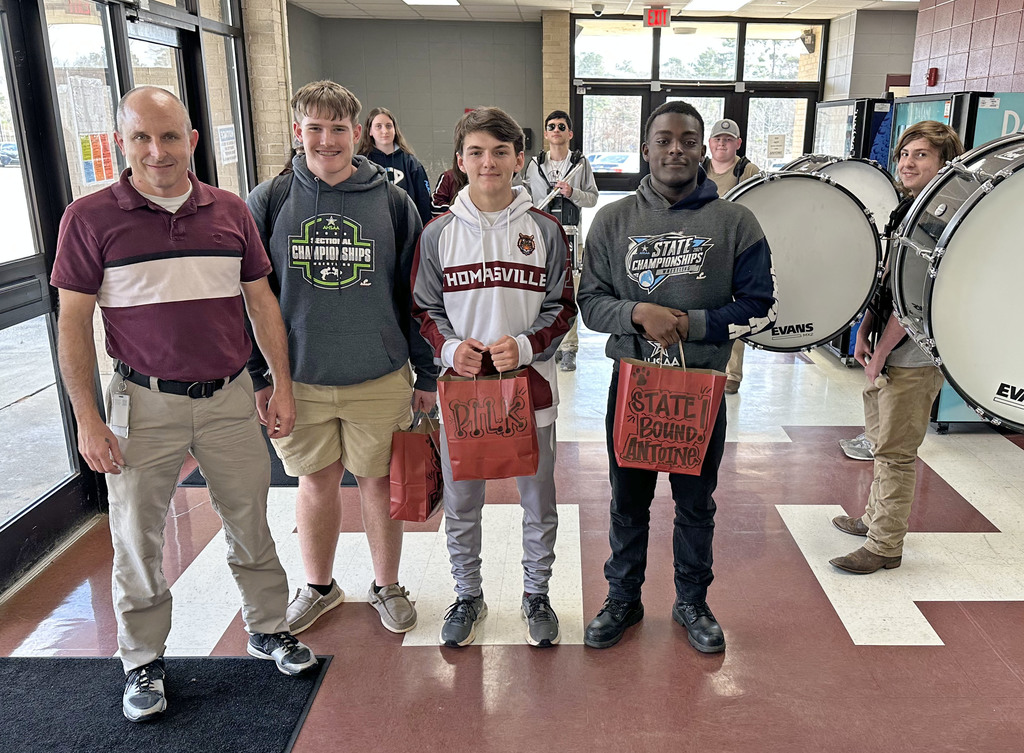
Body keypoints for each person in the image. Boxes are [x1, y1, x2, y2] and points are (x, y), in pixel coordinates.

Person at [51, 86, 316, 723]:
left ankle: (268, 629)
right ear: (122, 143)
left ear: (192, 141)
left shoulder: (228, 211)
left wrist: (279, 383)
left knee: (251, 520)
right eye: (141, 137)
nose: (156, 150)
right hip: (144, 403)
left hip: (228, 398)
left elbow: (260, 302)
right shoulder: (89, 219)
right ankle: (142, 661)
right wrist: (88, 418)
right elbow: (72, 325)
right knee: (137, 539)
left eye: (170, 136)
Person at [578, 101, 776, 653]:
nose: (676, 150)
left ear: (703, 149)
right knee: (627, 501)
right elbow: (590, 304)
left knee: (696, 504)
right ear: (646, 148)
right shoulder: (613, 221)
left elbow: (762, 307)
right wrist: (638, 314)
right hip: (635, 389)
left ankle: (692, 600)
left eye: (688, 140)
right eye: (664, 139)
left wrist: (694, 324)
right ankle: (623, 597)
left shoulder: (736, 222)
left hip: (701, 393)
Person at [246, 81, 437, 636]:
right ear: (298, 132)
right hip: (298, 377)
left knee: (379, 483)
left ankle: (386, 584)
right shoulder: (271, 200)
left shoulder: (393, 202)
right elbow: (251, 297)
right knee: (315, 482)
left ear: (357, 133)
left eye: (337, 129)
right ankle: (321, 587)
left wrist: (425, 372)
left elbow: (414, 295)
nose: (325, 140)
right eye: (314, 128)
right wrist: (263, 376)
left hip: (377, 375)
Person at [412, 107, 576, 648]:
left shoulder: (547, 231)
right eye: (477, 152)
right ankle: (467, 593)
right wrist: (451, 346)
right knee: (462, 503)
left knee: (538, 499)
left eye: (501, 152)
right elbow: (422, 309)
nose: (489, 162)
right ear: (460, 161)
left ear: (519, 159)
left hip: (531, 394)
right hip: (463, 397)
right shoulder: (437, 235)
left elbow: (564, 305)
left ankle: (536, 593)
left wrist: (528, 345)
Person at [830, 121, 964, 574]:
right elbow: (887, 282)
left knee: (895, 452)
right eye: (905, 153)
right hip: (886, 347)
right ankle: (873, 519)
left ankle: (886, 544)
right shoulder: (907, 209)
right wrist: (866, 328)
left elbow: (916, 301)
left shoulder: (942, 218)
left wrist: (883, 350)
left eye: (922, 155)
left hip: (913, 355)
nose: (907, 162)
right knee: (878, 439)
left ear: (945, 164)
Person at [523, 110, 599, 372]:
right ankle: (547, 343)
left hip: (570, 236)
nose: (556, 130)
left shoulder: (580, 164)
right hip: (541, 238)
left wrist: (573, 192)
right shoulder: (535, 165)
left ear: (570, 133)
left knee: (569, 293)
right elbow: (526, 200)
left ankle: (569, 349)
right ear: (545, 133)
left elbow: (592, 198)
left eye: (561, 126)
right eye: (551, 126)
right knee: (540, 292)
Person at [701, 118, 761, 395]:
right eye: (717, 139)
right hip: (701, 249)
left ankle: (731, 373)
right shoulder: (698, 169)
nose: (722, 143)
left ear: (738, 143)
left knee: (734, 310)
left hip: (736, 252)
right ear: (709, 143)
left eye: (728, 139)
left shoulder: (748, 171)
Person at [357, 106, 434, 225]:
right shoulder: (362, 163)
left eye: (389, 126)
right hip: (374, 227)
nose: (385, 131)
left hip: (406, 228)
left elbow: (424, 202)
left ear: (395, 129)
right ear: (370, 131)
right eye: (378, 126)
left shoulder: (411, 163)